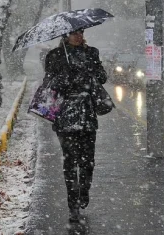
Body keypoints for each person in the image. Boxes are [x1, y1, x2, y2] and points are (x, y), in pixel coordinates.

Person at [43, 29, 108, 222]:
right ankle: (73, 205)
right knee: (70, 162)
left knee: (88, 161)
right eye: (74, 33)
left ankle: (84, 190)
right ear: (65, 36)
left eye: (80, 32)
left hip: (87, 114)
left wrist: (91, 73)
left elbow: (103, 77)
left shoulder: (91, 52)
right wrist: (67, 77)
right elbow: (49, 83)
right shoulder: (55, 56)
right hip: (65, 115)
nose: (78, 36)